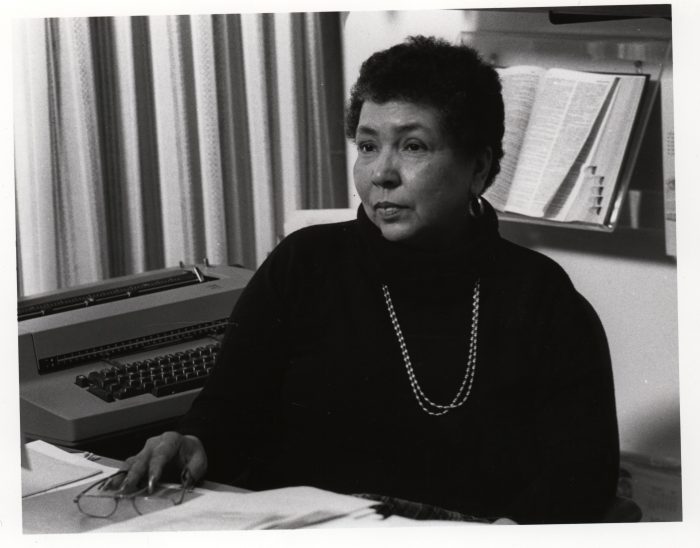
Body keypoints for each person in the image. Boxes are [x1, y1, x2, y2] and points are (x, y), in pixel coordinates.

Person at [115, 36, 620, 525]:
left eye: (413, 146)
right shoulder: (303, 263)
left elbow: (578, 481)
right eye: (367, 145)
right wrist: (193, 440)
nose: (382, 173)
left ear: (479, 167)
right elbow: (228, 411)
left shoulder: (542, 297)